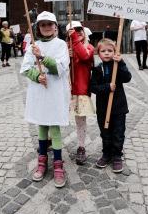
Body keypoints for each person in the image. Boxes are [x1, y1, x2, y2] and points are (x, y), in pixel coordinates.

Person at [20, 11, 70, 188]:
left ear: (55, 26)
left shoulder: (61, 44)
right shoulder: (33, 45)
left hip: (55, 92)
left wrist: (41, 57)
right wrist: (36, 76)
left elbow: (60, 68)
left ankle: (58, 164)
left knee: (54, 126)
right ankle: (42, 162)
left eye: (50, 24)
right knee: (41, 125)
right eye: (43, 25)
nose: (47, 27)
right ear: (38, 28)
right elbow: (25, 68)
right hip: (39, 93)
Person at [90, 38, 132, 172]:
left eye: (110, 50)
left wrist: (122, 63)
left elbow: (127, 78)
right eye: (103, 51)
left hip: (119, 107)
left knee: (118, 132)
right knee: (105, 133)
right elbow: (93, 87)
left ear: (115, 52)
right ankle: (106, 154)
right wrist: (107, 87)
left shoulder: (118, 66)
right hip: (103, 108)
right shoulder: (97, 69)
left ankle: (117, 155)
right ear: (99, 53)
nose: (107, 53)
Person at [66, 21, 95, 165]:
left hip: (81, 90)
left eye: (79, 30)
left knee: (80, 121)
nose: (77, 33)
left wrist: (75, 40)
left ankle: (81, 146)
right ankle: (50, 140)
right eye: (73, 31)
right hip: (66, 91)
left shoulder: (89, 47)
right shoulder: (65, 48)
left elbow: (84, 56)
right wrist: (66, 55)